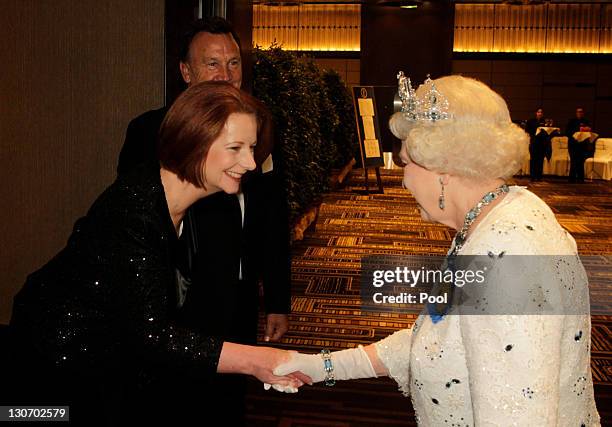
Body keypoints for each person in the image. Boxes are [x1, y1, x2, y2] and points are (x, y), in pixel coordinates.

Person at [273, 76, 601, 425]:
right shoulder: (497, 218)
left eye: (406, 164)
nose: (404, 180)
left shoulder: (506, 255)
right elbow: (436, 340)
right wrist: (321, 366)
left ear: (443, 168)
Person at [7, 82, 304, 426]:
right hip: (58, 362)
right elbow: (151, 335)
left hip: (108, 357)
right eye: (235, 148)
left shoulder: (187, 202)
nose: (251, 163)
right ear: (193, 141)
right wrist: (255, 361)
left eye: (251, 148)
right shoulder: (135, 212)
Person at [117, 17, 291, 424]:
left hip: (238, 301)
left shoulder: (258, 132)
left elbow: (271, 218)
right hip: (176, 307)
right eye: (212, 64)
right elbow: (136, 229)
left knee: (228, 404)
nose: (226, 76)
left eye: (233, 64)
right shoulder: (151, 132)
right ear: (185, 72)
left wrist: (278, 298)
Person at [566, 107, 591, 183]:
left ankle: (580, 179)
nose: (580, 113)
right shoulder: (571, 121)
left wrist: (586, 129)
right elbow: (567, 132)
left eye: (581, 112)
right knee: (573, 161)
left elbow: (589, 130)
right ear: (576, 113)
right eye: (578, 112)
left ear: (583, 113)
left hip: (582, 145)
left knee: (581, 161)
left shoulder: (586, 121)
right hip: (573, 144)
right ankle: (572, 179)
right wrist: (577, 131)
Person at [525, 107, 548, 182]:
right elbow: (527, 130)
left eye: (541, 112)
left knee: (540, 160)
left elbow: (548, 131)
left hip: (542, 143)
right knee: (533, 160)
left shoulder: (545, 121)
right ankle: (532, 176)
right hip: (534, 143)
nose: (540, 113)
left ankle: (539, 177)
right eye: (538, 112)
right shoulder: (531, 121)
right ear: (536, 113)